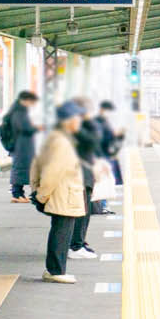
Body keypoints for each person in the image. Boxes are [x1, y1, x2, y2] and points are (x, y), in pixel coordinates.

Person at [31, 102, 88, 283]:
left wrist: (37, 190)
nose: (80, 121)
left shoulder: (57, 138)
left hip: (63, 194)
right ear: (67, 120)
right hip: (63, 195)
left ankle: (56, 270)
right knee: (61, 233)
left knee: (61, 231)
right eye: (77, 118)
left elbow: (36, 165)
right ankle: (55, 271)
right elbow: (52, 172)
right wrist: (41, 195)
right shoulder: (62, 142)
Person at [68, 96, 104, 260]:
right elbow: (93, 141)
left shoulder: (77, 125)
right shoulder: (75, 126)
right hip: (78, 175)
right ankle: (75, 246)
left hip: (83, 173)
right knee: (81, 212)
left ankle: (79, 243)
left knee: (84, 211)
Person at [0, 90, 39, 203]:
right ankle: (16, 194)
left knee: (22, 169)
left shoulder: (18, 110)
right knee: (20, 169)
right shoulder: (19, 112)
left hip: (22, 146)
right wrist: (36, 128)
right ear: (25, 101)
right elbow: (24, 127)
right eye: (31, 101)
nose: (32, 104)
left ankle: (20, 194)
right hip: (21, 146)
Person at [98, 101, 126, 189]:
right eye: (108, 111)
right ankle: (103, 202)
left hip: (107, 154)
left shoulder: (104, 121)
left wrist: (117, 135)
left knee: (109, 181)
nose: (109, 113)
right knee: (104, 181)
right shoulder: (98, 121)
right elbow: (100, 139)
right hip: (103, 155)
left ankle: (104, 200)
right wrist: (113, 134)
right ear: (102, 109)